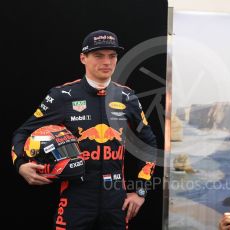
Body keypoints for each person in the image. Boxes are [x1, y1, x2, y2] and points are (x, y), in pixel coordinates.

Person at [11, 30, 157, 229]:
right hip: (76, 198)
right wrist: (21, 164)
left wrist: (141, 191)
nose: (107, 62)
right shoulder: (62, 95)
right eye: (98, 55)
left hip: (115, 199)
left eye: (112, 56)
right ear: (83, 58)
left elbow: (148, 144)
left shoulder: (127, 96)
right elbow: (23, 133)